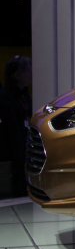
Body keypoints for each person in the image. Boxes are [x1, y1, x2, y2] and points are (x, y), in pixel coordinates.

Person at [0, 56, 32, 197]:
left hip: (25, 147)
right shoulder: (4, 97)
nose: (31, 74)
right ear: (17, 75)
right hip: (11, 151)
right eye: (28, 71)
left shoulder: (25, 95)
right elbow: (10, 129)